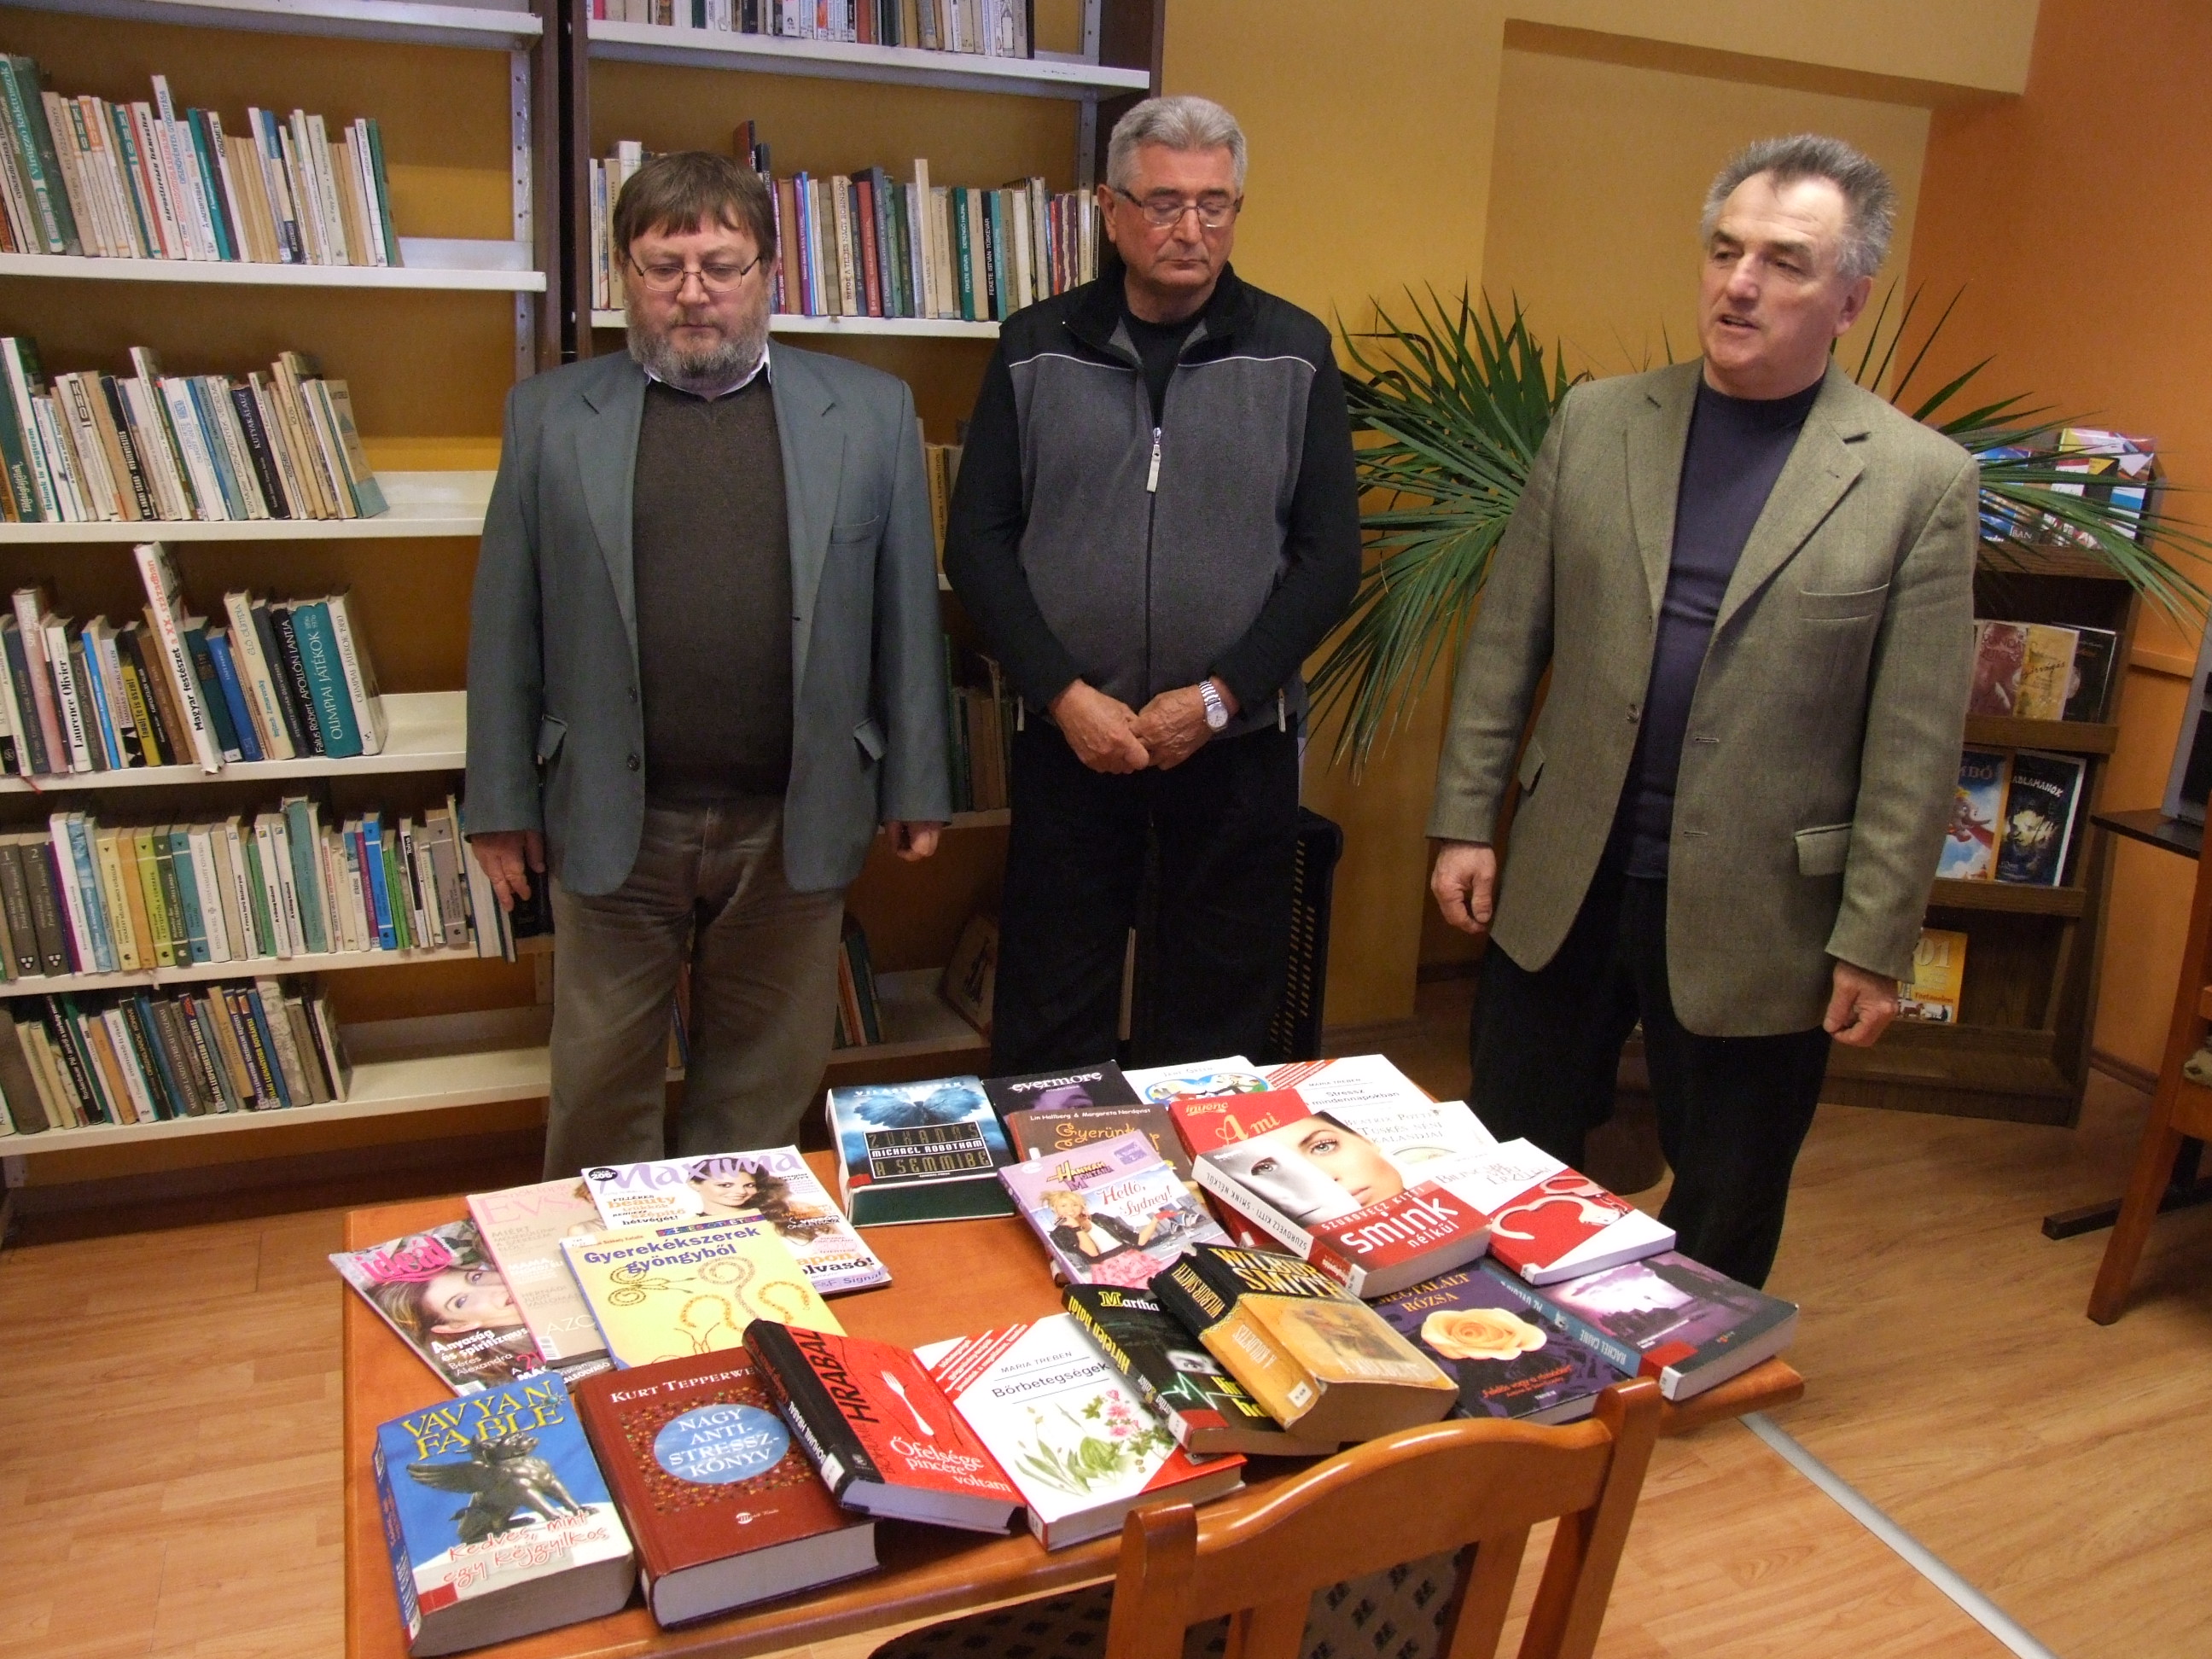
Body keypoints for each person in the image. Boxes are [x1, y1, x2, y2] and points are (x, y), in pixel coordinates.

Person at [1427, 134, 1978, 1289]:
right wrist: (1466, 821)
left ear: (1850, 301)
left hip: (1764, 909)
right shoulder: (1597, 422)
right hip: (1569, 871)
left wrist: (1875, 939)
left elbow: (1917, 741)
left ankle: (1684, 1364)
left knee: (1727, 1193)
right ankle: (1497, 1344)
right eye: (1726, 251)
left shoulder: (1917, 481)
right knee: (1507, 1154)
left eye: (1785, 262)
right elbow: (1509, 640)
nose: (1740, 283)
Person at [465, 152, 949, 1177]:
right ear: (624, 276)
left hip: (794, 813)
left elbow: (908, 612)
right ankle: (607, 1261)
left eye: (722, 266)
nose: (694, 293)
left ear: (769, 272)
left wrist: (918, 782)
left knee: (762, 1089)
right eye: (663, 267)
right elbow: (507, 621)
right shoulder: (549, 417)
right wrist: (500, 802)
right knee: (598, 1086)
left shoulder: (870, 413)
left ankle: (731, 1262)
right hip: (613, 814)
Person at [943, 95, 1361, 1074]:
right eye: (1165, 203)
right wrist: (1065, 696)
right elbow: (977, 543)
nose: (1192, 230)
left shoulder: (1294, 352)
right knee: (1052, 1015)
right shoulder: (1035, 346)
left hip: (1235, 747)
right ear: (1110, 208)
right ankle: (1064, 1169)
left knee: (1218, 1017)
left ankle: (1201, 1172)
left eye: (1216, 205)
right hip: (1073, 743)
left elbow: (1330, 558)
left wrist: (1217, 698)